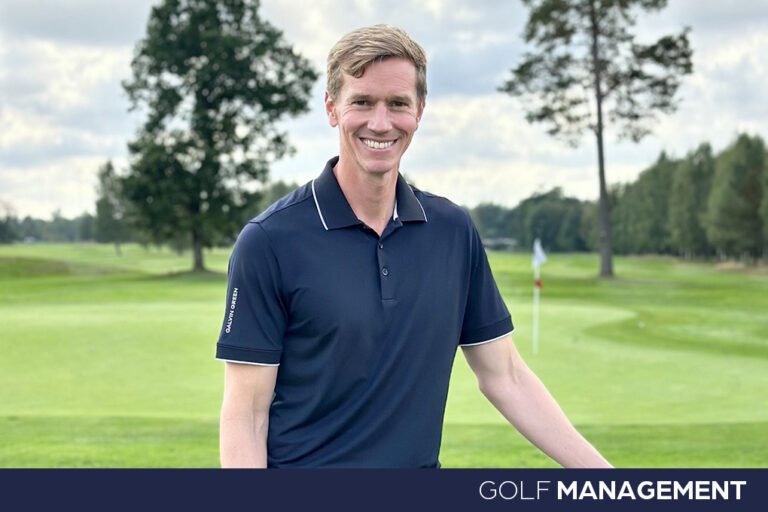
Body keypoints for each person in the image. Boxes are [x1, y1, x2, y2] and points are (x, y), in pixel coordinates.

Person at [216, 24, 611, 469]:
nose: (380, 123)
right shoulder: (269, 241)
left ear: (419, 111)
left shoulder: (453, 231)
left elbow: (507, 377)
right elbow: (246, 415)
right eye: (362, 102)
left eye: (398, 104)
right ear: (332, 108)